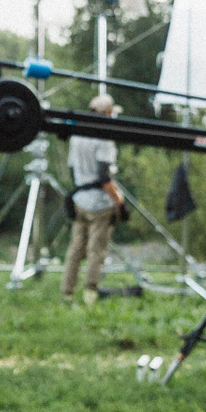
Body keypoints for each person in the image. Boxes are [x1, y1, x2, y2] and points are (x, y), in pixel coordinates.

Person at [62, 95, 125, 304]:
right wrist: (119, 201)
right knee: (96, 250)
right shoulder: (103, 138)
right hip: (99, 203)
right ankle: (90, 293)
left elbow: (72, 170)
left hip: (80, 198)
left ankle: (67, 291)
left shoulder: (77, 135)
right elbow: (104, 177)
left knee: (75, 248)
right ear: (107, 113)